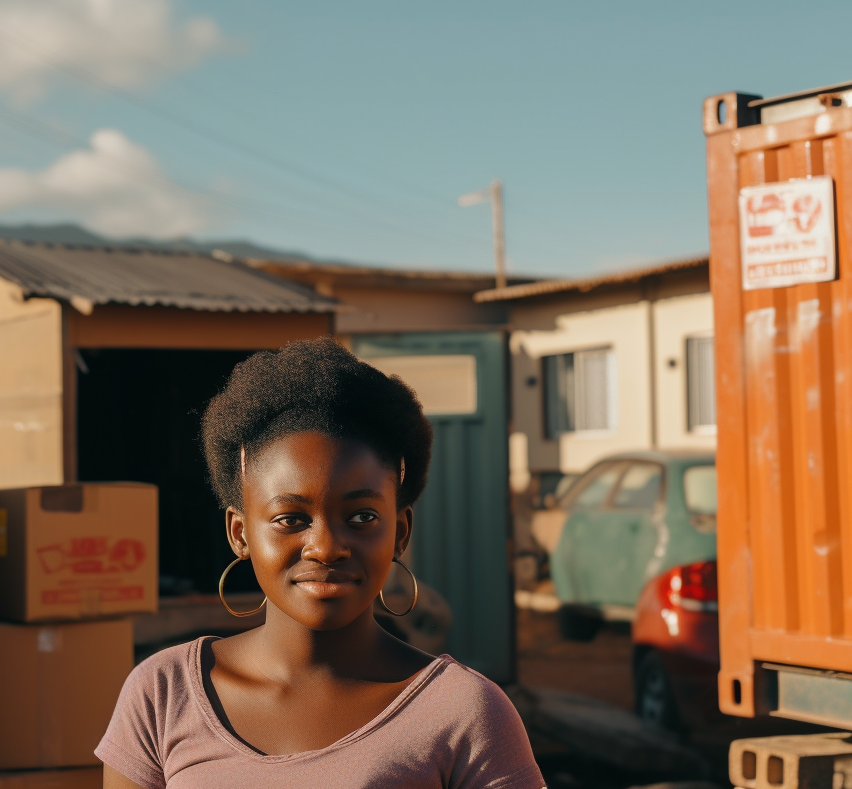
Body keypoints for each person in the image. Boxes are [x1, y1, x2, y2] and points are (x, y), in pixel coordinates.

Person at [96, 338, 544, 789]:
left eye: (362, 517)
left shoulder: (465, 712)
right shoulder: (163, 693)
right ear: (239, 534)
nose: (326, 547)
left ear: (400, 533)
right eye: (290, 519)